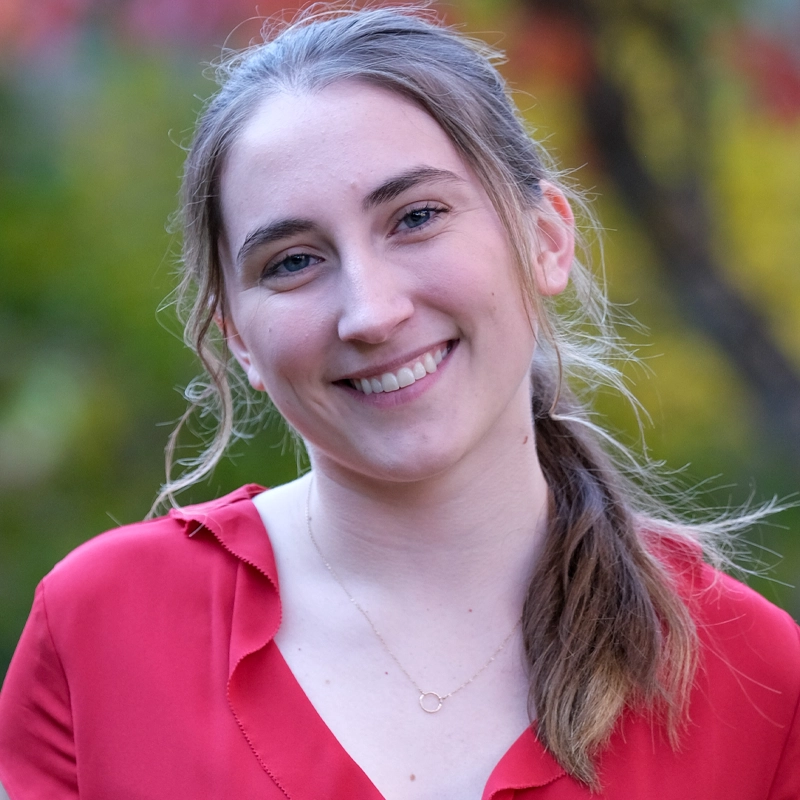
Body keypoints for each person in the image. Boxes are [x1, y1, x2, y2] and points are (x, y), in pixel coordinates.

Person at [0, 6, 797, 799]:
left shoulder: (755, 678)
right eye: (293, 262)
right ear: (237, 337)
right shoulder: (106, 628)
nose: (371, 312)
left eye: (416, 217)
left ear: (547, 238)